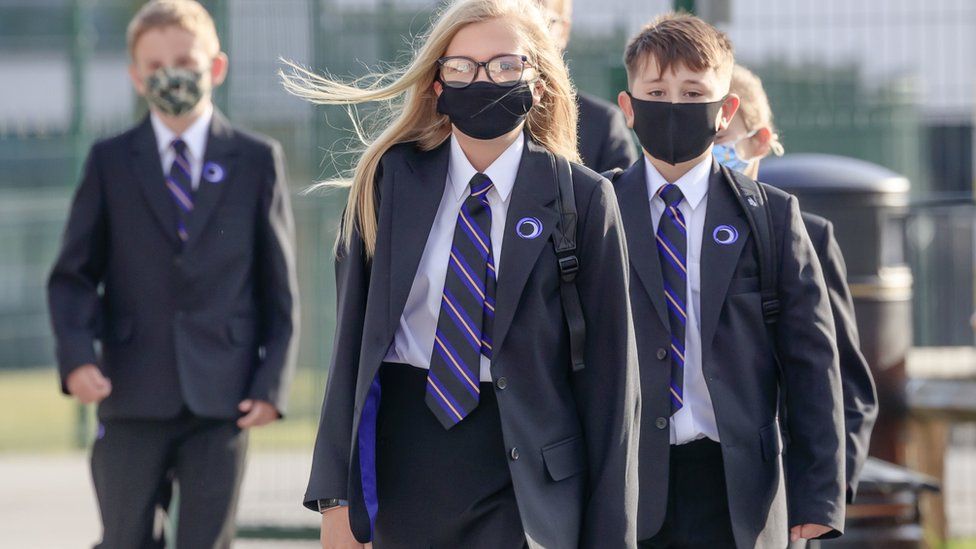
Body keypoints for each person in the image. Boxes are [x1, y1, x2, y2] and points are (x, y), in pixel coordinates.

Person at [284, 0, 640, 547]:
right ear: (437, 85)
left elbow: (614, 384)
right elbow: (352, 345)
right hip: (405, 461)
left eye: (504, 65)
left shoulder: (585, 198)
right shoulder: (389, 180)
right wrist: (335, 496)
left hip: (526, 478)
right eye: (462, 67)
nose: (483, 80)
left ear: (539, 83)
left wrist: (610, 534)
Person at [46, 1, 299, 546]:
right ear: (136, 77)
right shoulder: (110, 161)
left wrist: (271, 382)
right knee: (124, 536)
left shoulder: (256, 160)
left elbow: (279, 287)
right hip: (131, 390)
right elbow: (73, 276)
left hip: (222, 395)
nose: (170, 74)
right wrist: (75, 359)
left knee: (206, 539)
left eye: (184, 59)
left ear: (217, 67)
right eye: (154, 65)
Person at [610, 13, 846, 547]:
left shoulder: (771, 216)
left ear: (725, 112)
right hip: (623, 484)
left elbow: (813, 362)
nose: (674, 104)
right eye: (656, 90)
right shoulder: (595, 211)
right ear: (628, 108)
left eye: (694, 91)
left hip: (738, 489)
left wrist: (818, 495)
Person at [715, 64, 878, 506]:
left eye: (720, 141)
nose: (708, 154)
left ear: (760, 141)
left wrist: (823, 493)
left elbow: (846, 384)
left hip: (780, 493)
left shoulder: (807, 236)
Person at [537, 0, 638, 172]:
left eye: (541, 21)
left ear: (564, 30)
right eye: (518, 21)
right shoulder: (483, 115)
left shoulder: (603, 124)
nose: (528, 33)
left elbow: (623, 196)